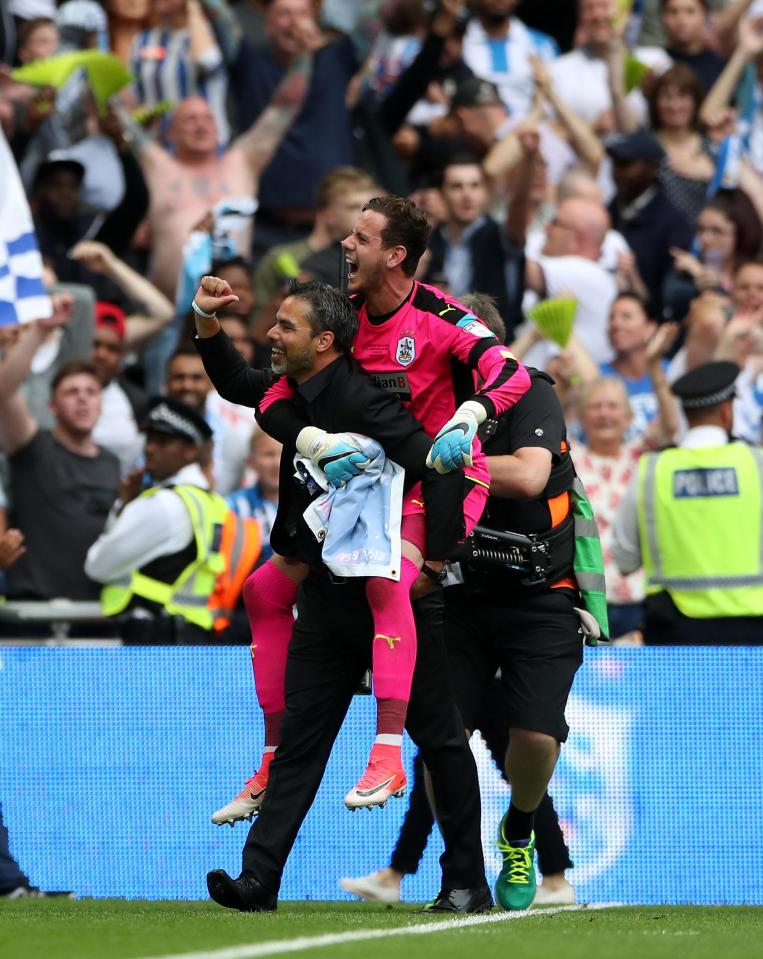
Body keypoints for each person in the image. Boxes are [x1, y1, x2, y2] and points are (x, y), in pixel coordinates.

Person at [209, 194, 530, 820]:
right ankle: (273, 760)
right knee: (264, 592)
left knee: (390, 587)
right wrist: (313, 440)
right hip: (366, 488)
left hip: (438, 481)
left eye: (360, 238)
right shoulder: (343, 319)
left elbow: (512, 373)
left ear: (395, 254)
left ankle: (386, 755)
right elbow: (275, 394)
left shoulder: (444, 318)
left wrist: (471, 413)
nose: (345, 247)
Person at [198, 279, 492, 914]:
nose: (272, 336)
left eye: (286, 327)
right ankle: (258, 881)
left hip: (397, 596)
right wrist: (204, 320)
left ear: (324, 341)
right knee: (304, 739)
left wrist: (434, 562)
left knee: (439, 739)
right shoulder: (293, 392)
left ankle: (467, 882)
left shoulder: (366, 401)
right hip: (329, 596)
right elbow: (240, 388)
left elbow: (435, 467)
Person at [114, 37, 313, 301]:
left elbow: (283, 107)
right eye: (190, 120)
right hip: (170, 310)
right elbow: (118, 118)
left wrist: (305, 56)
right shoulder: (157, 166)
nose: (200, 126)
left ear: (219, 129)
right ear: (170, 134)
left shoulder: (241, 162)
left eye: (208, 119)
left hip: (232, 308)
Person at [85, 396, 259, 643]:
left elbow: (97, 566)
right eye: (149, 439)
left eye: (163, 442)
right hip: (195, 643)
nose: (149, 449)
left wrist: (122, 506)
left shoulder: (163, 503)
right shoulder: (213, 503)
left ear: (191, 451)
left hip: (153, 644)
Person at [612, 359, 763, 644]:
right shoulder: (756, 464)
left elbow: (624, 558)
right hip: (753, 634)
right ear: (726, 411)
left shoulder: (652, 469)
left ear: (685, 413)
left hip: (674, 634)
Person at [0, 312, 119, 601]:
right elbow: (3, 393)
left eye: (91, 392)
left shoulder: (112, 463)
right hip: (33, 611)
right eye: (72, 392)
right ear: (51, 406)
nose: (82, 398)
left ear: (101, 404)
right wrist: (39, 331)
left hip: (94, 615)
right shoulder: (31, 446)